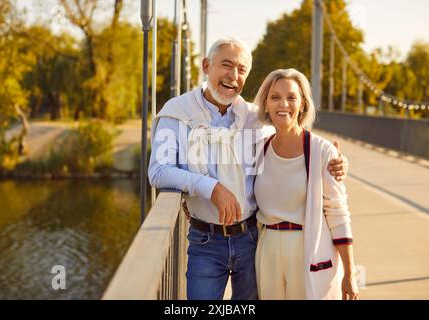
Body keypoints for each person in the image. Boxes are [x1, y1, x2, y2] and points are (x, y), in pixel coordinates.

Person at [148, 38, 348, 300]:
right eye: (226, 65)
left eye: (241, 70)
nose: (233, 75)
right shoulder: (176, 113)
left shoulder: (256, 118)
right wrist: (211, 188)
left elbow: (293, 139)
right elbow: (158, 171)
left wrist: (333, 160)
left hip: (253, 239)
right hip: (204, 241)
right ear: (206, 66)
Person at [253, 68, 359, 300]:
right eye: (275, 97)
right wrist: (196, 200)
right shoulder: (258, 149)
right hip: (268, 250)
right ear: (266, 104)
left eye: (291, 97)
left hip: (308, 248)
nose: (283, 104)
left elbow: (338, 213)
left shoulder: (323, 151)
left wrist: (350, 273)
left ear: (302, 104)